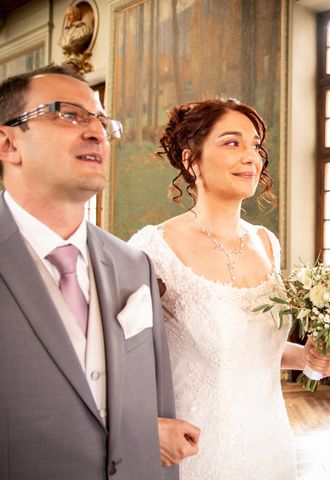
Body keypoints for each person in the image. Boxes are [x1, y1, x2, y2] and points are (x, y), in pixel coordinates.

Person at [0, 65, 199, 479]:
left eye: (102, 122)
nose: (95, 132)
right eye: (68, 114)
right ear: (8, 144)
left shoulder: (133, 265)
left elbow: (158, 405)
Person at [129, 97, 330, 480]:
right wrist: (144, 427)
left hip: (269, 443)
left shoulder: (266, 243)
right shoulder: (153, 249)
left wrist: (309, 357)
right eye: (232, 143)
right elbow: (118, 361)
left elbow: (256, 351)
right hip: (197, 448)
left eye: (256, 145)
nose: (251, 157)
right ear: (192, 161)